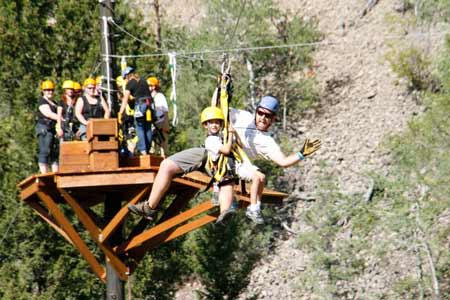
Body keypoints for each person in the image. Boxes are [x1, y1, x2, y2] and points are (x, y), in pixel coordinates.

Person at [128, 96, 321, 223]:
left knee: (226, 177)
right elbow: (218, 108)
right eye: (260, 113)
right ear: (256, 111)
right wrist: (222, 85)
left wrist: (302, 153)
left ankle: (226, 210)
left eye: (267, 116)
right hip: (210, 150)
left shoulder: (266, 141)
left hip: (231, 161)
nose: (262, 118)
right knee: (167, 165)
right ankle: (150, 207)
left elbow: (283, 161)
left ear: (273, 120)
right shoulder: (242, 116)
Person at [200, 106, 237, 224]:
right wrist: (230, 134)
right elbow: (226, 150)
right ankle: (224, 212)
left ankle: (225, 211)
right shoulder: (210, 140)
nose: (215, 125)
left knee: (228, 186)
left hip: (225, 169)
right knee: (226, 186)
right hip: (220, 169)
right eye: (211, 123)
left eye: (217, 122)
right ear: (206, 125)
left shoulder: (219, 137)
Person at [119, 67, 155, 155]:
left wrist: (120, 112)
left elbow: (125, 99)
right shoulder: (143, 80)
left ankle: (143, 151)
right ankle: (148, 148)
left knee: (140, 128)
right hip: (150, 105)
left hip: (140, 106)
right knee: (148, 127)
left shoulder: (130, 83)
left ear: (127, 76)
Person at [36, 80, 63, 173]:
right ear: (43, 91)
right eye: (47, 90)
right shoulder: (42, 101)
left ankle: (55, 172)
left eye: (51, 90)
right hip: (44, 128)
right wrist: (61, 119)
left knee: (54, 152)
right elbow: (48, 113)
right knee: (45, 150)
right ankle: (44, 173)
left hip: (52, 130)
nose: (50, 92)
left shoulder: (54, 103)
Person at [147, 76, 169, 158]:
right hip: (152, 127)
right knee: (152, 150)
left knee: (164, 150)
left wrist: (165, 126)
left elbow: (165, 112)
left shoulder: (160, 96)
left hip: (161, 126)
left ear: (153, 86)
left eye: (149, 86)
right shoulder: (148, 98)